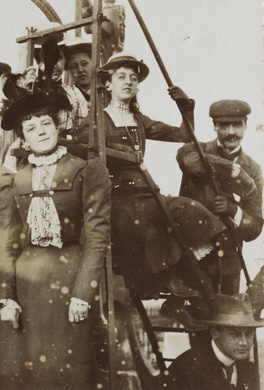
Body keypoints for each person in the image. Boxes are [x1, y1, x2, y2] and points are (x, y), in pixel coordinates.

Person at [0, 91, 111, 389]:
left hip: (69, 281)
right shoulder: (15, 178)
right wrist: (7, 297)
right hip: (27, 283)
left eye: (45, 124)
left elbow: (97, 240)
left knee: (64, 370)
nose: (40, 130)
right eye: (31, 128)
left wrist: (83, 293)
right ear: (22, 141)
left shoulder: (86, 169)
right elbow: (8, 242)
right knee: (16, 371)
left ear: (57, 128)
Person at [74, 52, 227, 301]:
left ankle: (181, 276)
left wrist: (186, 107)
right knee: (153, 220)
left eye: (133, 78)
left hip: (147, 192)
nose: (128, 82)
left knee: (190, 210)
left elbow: (183, 136)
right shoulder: (96, 121)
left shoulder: (139, 119)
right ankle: (163, 277)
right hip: (117, 198)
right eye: (121, 76)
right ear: (108, 84)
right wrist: (111, 154)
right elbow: (81, 156)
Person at [177, 100, 263, 294]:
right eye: (224, 126)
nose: (231, 132)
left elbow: (255, 228)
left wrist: (233, 209)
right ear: (215, 126)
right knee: (199, 321)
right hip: (195, 258)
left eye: (237, 125)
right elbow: (188, 161)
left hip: (230, 265)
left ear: (246, 126)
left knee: (229, 322)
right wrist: (234, 172)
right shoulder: (196, 151)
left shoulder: (254, 170)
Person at [166, 293, 263, 390]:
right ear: (215, 333)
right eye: (235, 335)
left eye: (249, 334)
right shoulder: (185, 369)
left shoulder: (247, 368)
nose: (244, 342)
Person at [62, 36, 94, 103]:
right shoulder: (70, 97)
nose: (80, 70)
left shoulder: (107, 92)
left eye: (84, 63)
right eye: (74, 66)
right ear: (69, 71)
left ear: (93, 64)